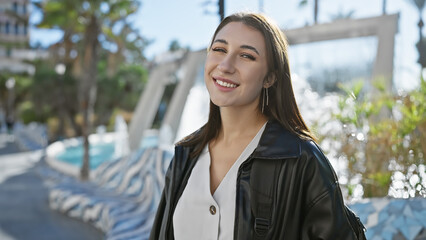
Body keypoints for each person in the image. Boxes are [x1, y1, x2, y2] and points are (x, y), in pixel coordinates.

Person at [150, 12, 366, 240]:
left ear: (270, 78)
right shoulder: (185, 155)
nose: (225, 65)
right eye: (219, 49)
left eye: (246, 56)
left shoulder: (301, 159)